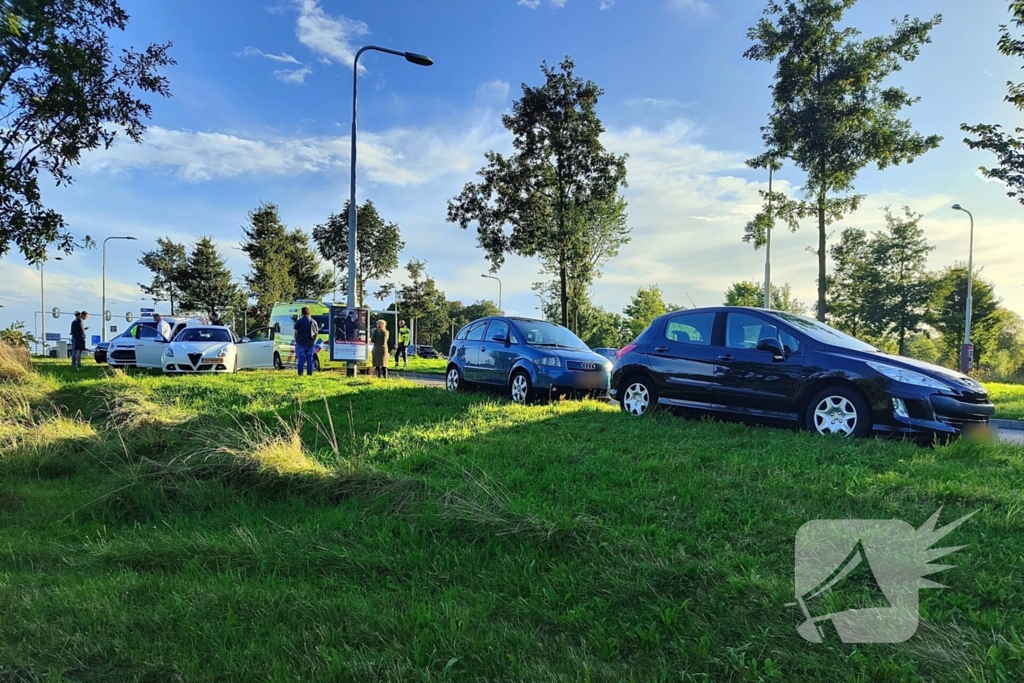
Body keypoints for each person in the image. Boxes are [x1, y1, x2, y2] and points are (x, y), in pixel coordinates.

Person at [293, 306, 320, 376]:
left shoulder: (299, 322)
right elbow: (316, 332)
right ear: (309, 312)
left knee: (300, 360)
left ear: (302, 313)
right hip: (310, 343)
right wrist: (313, 340)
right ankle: (309, 374)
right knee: (310, 360)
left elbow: (296, 333)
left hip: (300, 343)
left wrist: (297, 341)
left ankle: (300, 374)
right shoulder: (313, 322)